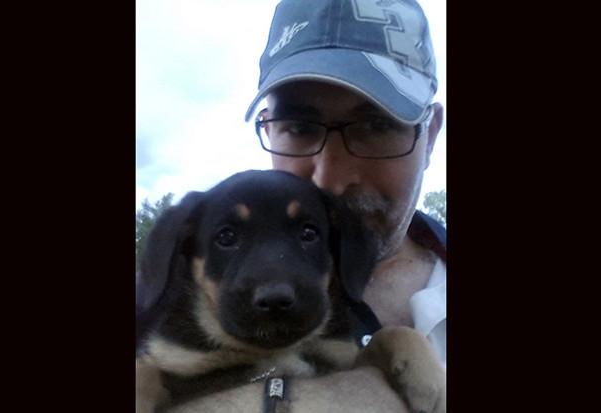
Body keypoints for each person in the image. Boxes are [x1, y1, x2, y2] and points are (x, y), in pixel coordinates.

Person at [142, 0, 445, 411]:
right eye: (300, 128)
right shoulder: (154, 301)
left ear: (431, 135)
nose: (330, 180)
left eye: (376, 125)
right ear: (268, 129)